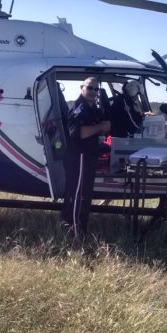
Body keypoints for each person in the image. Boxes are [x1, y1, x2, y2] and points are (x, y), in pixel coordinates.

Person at [61, 77, 111, 237]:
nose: (93, 92)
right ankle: (74, 230)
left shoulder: (93, 108)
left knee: (85, 194)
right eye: (90, 88)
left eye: (97, 89)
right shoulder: (79, 108)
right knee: (79, 195)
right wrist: (99, 127)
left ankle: (77, 227)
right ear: (82, 87)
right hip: (79, 157)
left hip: (88, 156)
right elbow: (77, 133)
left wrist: (103, 128)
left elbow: (99, 130)